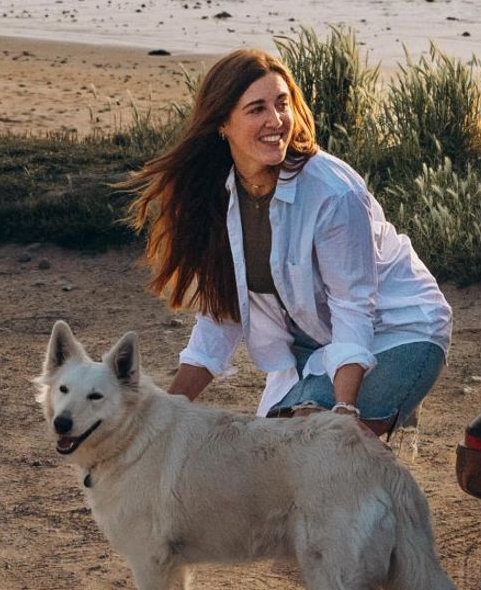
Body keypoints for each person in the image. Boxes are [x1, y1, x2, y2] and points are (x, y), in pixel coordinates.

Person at [124, 48, 452, 437]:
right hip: (315, 353)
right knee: (271, 456)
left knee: (309, 441)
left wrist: (344, 411)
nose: (275, 120)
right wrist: (165, 411)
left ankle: (379, 412)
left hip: (399, 330)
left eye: (282, 104)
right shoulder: (216, 195)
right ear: (222, 124)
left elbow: (353, 306)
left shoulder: (332, 191)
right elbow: (220, 316)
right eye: (256, 109)